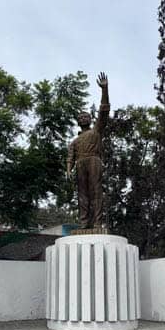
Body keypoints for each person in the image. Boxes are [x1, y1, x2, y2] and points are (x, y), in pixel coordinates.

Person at [67, 73, 109, 229]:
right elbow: (70, 157)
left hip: (94, 160)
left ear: (91, 119)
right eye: (80, 117)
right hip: (80, 164)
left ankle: (98, 222)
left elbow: (104, 112)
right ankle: (84, 222)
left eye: (86, 116)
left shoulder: (96, 131)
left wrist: (105, 90)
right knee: (82, 194)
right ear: (78, 122)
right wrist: (68, 170)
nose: (83, 118)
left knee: (96, 191)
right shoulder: (75, 141)